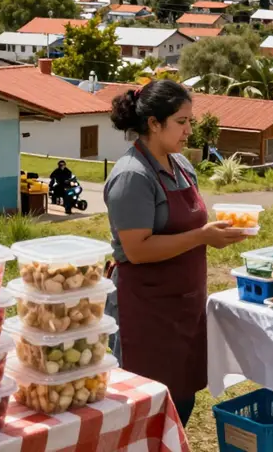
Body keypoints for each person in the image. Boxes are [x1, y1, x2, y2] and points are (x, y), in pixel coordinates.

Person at [103, 80, 247, 427]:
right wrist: (202, 236)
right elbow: (136, 250)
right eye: (181, 122)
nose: (189, 130)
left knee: (181, 399)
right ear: (154, 123)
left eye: (190, 121)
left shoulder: (181, 164)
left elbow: (187, 226)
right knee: (150, 410)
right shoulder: (132, 177)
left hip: (183, 305)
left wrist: (213, 232)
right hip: (146, 310)